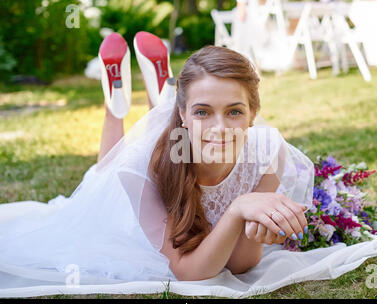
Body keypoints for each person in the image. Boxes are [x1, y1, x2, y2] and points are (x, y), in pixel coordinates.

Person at [0, 34, 315, 289]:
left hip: (177, 141)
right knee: (105, 172)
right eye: (203, 111)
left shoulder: (268, 153)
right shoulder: (140, 169)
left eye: (234, 111)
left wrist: (253, 227)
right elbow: (188, 272)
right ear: (183, 113)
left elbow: (240, 264)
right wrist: (238, 208)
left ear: (253, 115)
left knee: (159, 147)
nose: (220, 128)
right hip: (121, 213)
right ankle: (116, 105)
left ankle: (159, 95)